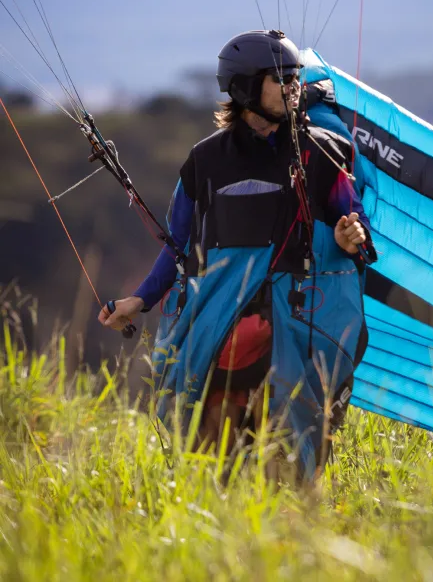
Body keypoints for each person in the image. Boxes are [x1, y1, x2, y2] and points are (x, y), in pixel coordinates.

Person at [99, 30, 375, 480]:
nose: (292, 86)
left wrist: (351, 236)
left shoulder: (324, 150)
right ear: (246, 88)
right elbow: (181, 245)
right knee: (211, 432)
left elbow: (354, 214)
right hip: (226, 314)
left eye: (294, 76)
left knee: (287, 440)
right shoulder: (205, 162)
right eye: (279, 77)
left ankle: (290, 522)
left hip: (304, 315)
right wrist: (141, 299)